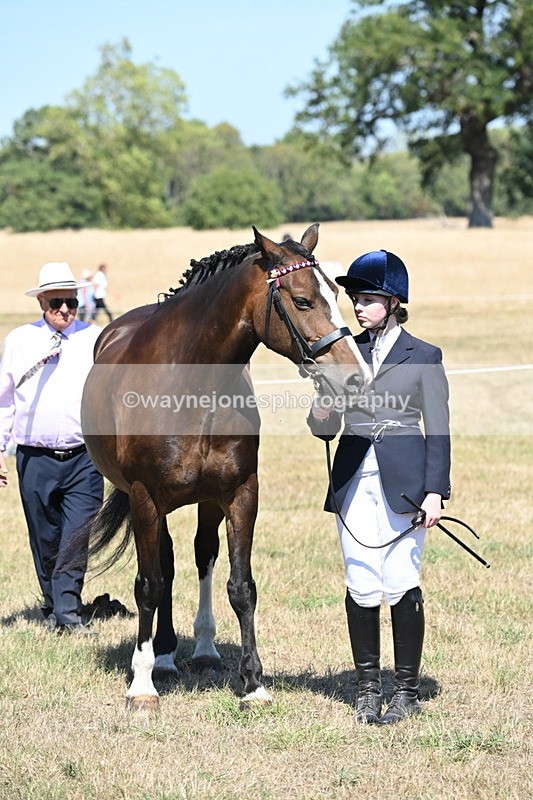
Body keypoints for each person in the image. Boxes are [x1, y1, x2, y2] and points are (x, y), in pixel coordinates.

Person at [308, 249, 451, 725]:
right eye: (355, 299)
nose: (358, 307)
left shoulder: (424, 355)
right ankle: (368, 690)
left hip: (406, 482)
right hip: (352, 479)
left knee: (401, 580)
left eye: (367, 299)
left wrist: (435, 491)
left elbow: (439, 428)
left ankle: (406, 691)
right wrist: (324, 401)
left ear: (392, 302)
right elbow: (322, 427)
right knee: (361, 581)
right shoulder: (344, 352)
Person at [0, 262, 104, 635]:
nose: (64, 309)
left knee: (77, 535)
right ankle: (53, 603)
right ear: (41, 301)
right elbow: (4, 400)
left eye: (70, 302)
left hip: (85, 457)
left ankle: (68, 614)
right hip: (34, 457)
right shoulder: (19, 341)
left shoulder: (96, 339)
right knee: (45, 537)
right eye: (56, 302)